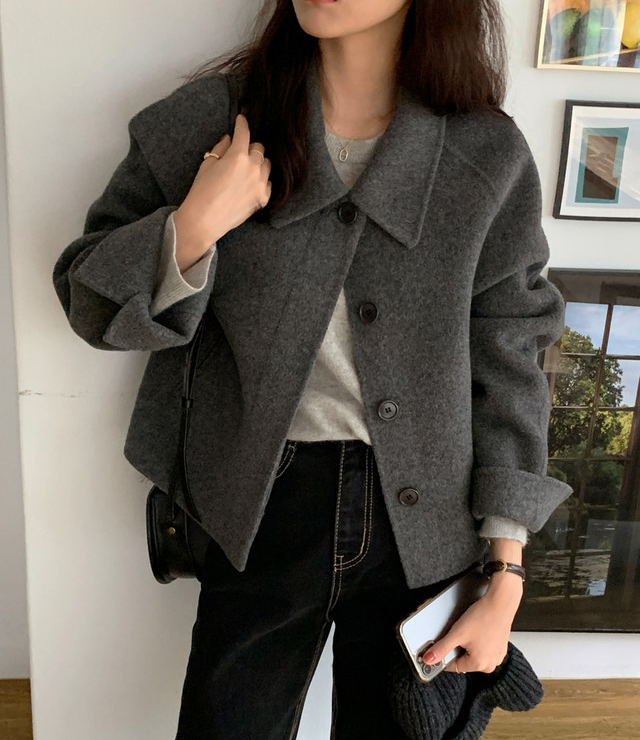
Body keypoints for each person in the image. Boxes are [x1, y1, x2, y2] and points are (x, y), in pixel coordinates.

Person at [52, 0, 573, 737]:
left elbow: (511, 353)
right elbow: (90, 301)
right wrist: (195, 224)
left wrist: (506, 571)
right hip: (254, 506)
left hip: (426, 523)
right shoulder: (213, 122)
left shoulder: (484, 154)